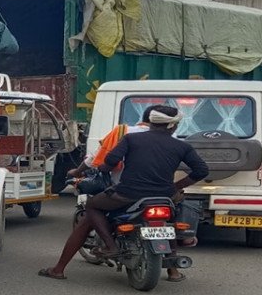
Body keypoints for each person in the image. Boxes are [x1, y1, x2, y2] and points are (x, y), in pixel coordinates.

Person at [39, 106, 209, 280]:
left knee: (92, 205)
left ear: (150, 122)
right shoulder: (182, 146)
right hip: (164, 196)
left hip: (128, 194)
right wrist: (175, 186)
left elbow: (110, 161)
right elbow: (201, 170)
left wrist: (104, 168)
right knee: (166, 222)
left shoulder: (130, 139)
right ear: (173, 126)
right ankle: (173, 271)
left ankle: (108, 247)